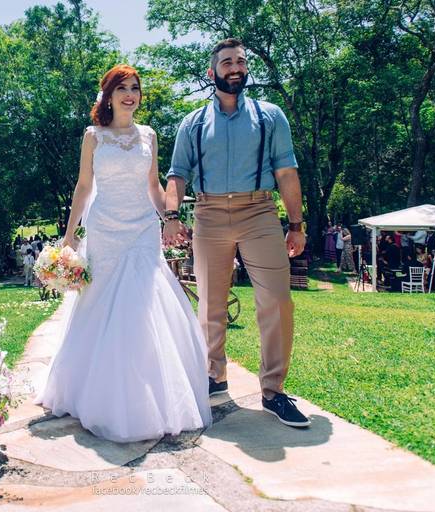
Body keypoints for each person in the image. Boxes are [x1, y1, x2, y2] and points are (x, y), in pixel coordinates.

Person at [34, 64, 212, 442]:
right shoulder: (93, 136)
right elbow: (84, 186)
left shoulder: (149, 135)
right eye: (122, 88)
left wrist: (169, 218)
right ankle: (97, 393)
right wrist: (70, 235)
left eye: (135, 88)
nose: (130, 95)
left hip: (142, 229)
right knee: (101, 304)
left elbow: (153, 185)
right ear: (109, 95)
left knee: (144, 304)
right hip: (105, 230)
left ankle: (150, 393)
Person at [163, 38, 309, 428]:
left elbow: (286, 172)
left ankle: (273, 391)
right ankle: (215, 376)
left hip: (260, 211)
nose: (235, 68)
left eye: (241, 62)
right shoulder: (193, 123)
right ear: (212, 72)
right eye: (227, 62)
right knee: (210, 303)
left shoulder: (270, 116)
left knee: (277, 301)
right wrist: (171, 216)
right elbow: (177, 174)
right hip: (209, 213)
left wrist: (296, 225)